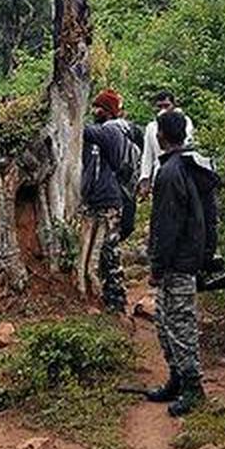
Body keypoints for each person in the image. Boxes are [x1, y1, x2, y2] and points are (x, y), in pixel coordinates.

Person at [146, 111, 220, 416]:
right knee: (166, 323)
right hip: (189, 257)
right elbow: (209, 215)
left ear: (161, 136)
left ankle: (193, 388)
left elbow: (167, 225)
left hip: (177, 262)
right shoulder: (192, 165)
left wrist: (157, 266)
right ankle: (178, 380)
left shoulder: (170, 172)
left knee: (179, 326)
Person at [78, 89, 137, 314]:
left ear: (110, 112)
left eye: (100, 108)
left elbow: (83, 130)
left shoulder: (111, 131)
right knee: (94, 252)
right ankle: (101, 296)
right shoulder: (102, 133)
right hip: (94, 199)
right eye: (94, 107)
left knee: (109, 252)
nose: (95, 111)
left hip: (109, 199)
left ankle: (117, 301)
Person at [138, 91, 196, 200]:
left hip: (181, 174)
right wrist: (145, 178)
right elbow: (148, 155)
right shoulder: (151, 127)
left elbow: (185, 145)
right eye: (159, 106)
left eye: (166, 105)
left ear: (174, 105)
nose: (163, 110)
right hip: (160, 174)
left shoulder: (184, 122)